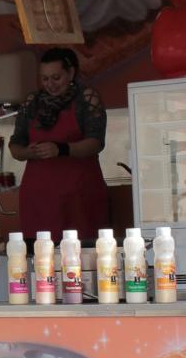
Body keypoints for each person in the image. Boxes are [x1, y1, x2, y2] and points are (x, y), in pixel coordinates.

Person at [9, 47, 110, 242]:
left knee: (81, 253)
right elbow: (15, 146)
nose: (50, 84)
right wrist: (27, 152)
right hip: (38, 197)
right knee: (40, 253)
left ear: (70, 73)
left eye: (56, 78)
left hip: (79, 196)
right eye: (45, 79)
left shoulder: (86, 98)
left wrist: (62, 149)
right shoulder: (32, 102)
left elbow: (96, 142)